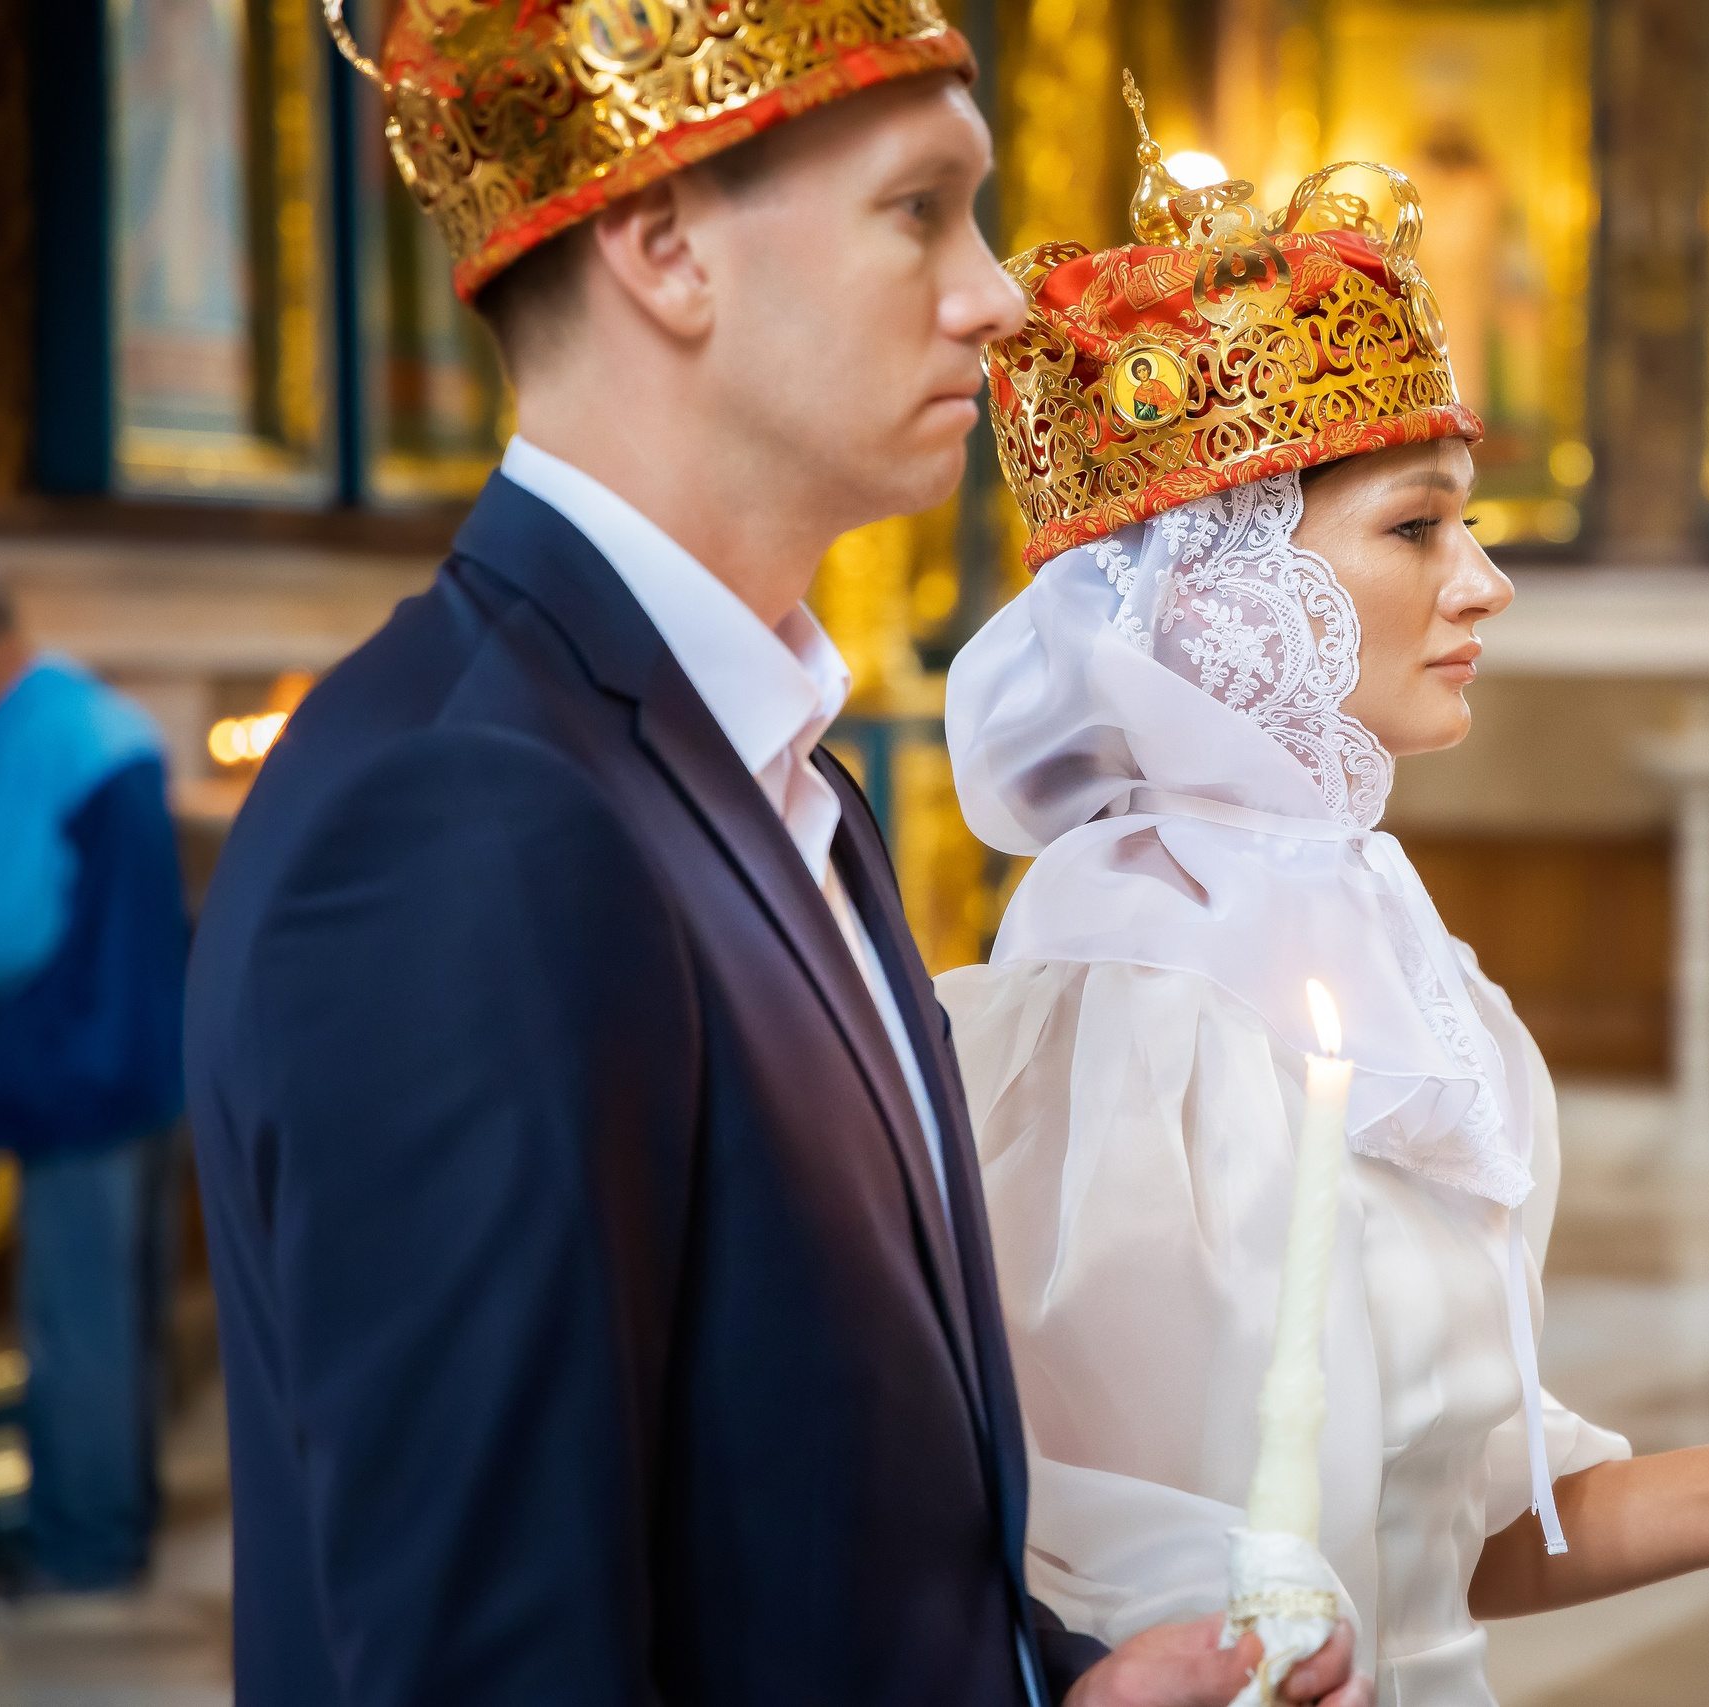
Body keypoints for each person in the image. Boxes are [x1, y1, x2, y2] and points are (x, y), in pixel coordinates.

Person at [188, 7, 1357, 1705]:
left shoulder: (758, 765)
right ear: (663, 248)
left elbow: (806, 1530)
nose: (999, 293)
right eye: (916, 210)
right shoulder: (470, 824)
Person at [941, 103, 1709, 1701]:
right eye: (1417, 524)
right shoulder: (1117, 1008)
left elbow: (1446, 1530)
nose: (1485, 580)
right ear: (1221, 592)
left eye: (1467, 517)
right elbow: (1104, 1589)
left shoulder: (1412, 968)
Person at [0, 569, 189, 1593]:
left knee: (77, 1326)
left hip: (75, 1078)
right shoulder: (109, 718)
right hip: (144, 1069)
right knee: (127, 1320)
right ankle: (119, 1521)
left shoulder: (34, 736)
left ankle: (83, 1547)